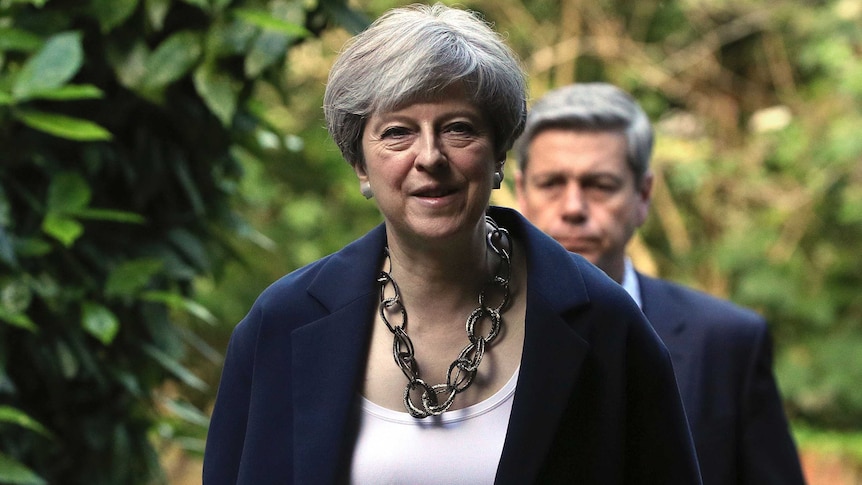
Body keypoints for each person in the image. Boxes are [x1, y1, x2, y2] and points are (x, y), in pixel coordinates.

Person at [203, 6, 701, 484]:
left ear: (500, 153)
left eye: (458, 128)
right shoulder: (283, 322)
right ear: (360, 165)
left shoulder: (605, 325)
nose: (429, 157)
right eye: (397, 132)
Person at [514, 82, 806, 485]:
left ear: (644, 195)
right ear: (522, 193)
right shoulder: (470, 333)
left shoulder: (727, 342)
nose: (573, 208)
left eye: (600, 185)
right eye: (551, 184)